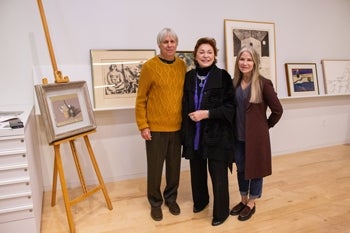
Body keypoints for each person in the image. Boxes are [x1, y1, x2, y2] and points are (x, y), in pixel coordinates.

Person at [181, 37, 236, 226]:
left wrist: (206, 114)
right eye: (202, 52)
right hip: (194, 134)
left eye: (209, 52)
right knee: (197, 173)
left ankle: (221, 213)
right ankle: (201, 201)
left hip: (217, 135)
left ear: (215, 55)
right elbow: (183, 106)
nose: (206, 55)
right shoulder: (189, 77)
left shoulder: (223, 76)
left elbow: (230, 108)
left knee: (218, 176)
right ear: (195, 55)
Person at [135, 28, 187, 221]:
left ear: (177, 44)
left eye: (172, 41)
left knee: (174, 169)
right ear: (159, 44)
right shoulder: (149, 67)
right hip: (155, 129)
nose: (169, 45)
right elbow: (141, 99)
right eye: (165, 42)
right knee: (155, 169)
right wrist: (143, 125)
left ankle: (171, 199)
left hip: (177, 128)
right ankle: (155, 203)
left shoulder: (182, 66)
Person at [229, 46, 283, 221]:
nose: (245, 63)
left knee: (256, 170)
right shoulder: (234, 83)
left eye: (249, 60)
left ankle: (252, 203)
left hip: (256, 138)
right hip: (237, 136)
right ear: (238, 62)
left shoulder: (263, 83)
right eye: (242, 59)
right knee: (242, 169)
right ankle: (243, 199)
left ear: (255, 63)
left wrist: (265, 127)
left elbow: (278, 110)